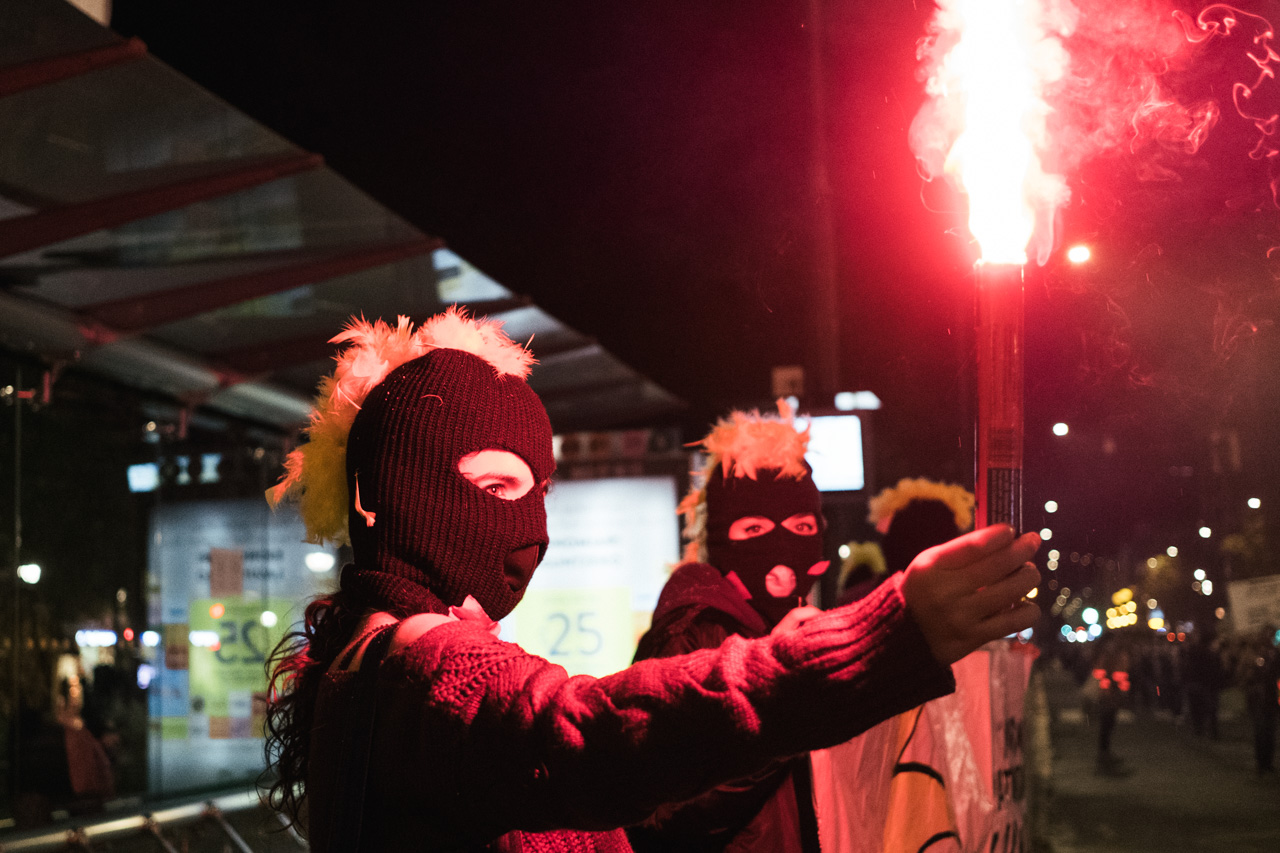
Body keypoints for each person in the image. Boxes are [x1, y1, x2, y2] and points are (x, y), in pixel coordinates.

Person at [264, 309, 1041, 852]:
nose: (530, 533)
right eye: (495, 486)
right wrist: (883, 636)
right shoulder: (429, 673)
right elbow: (603, 732)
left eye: (540, 494)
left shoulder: (368, 668)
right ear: (377, 494)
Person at [627, 404, 837, 851]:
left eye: (802, 526)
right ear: (720, 540)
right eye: (754, 529)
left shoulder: (772, 626)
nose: (782, 546)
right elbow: (660, 816)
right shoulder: (692, 634)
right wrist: (780, 691)